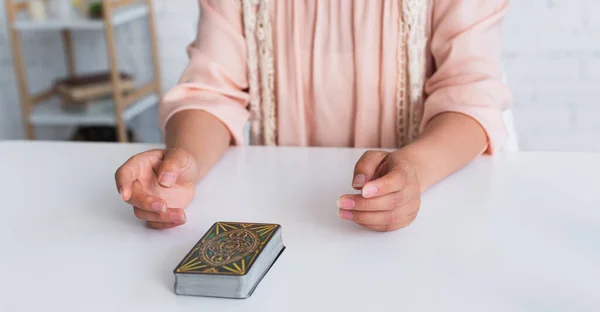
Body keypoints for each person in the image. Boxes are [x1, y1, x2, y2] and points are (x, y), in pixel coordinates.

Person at [115, 0, 511, 232]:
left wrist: (414, 170)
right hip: (286, 215)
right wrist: (185, 162)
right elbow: (212, 90)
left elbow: (470, 96)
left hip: (426, 217)